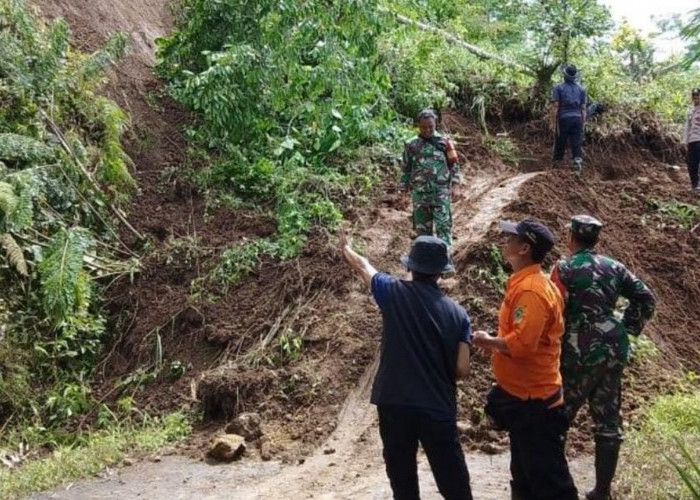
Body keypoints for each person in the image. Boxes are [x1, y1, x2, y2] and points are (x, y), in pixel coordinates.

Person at [339, 232, 473, 500]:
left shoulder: (392, 292)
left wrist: (347, 248)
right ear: (441, 273)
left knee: (402, 481)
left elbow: (363, 266)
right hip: (436, 406)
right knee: (453, 481)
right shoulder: (458, 315)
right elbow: (461, 370)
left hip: (394, 403)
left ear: (410, 266)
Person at [550, 215, 656, 500]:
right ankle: (602, 490)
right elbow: (646, 298)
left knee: (559, 417)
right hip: (612, 348)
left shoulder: (563, 268)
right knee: (608, 418)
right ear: (596, 240)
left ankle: (556, 486)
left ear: (572, 237)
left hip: (576, 350)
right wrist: (626, 327)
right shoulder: (615, 267)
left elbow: (554, 309)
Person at [473, 218, 578, 500]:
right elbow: (520, 336)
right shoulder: (526, 283)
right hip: (525, 399)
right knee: (524, 478)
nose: (505, 242)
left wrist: (489, 342)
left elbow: (523, 345)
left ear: (524, 248)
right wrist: (496, 343)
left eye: (511, 239)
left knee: (551, 483)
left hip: (535, 403)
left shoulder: (531, 291)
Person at [401, 109, 462, 246]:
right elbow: (406, 169)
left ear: (436, 124)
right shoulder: (411, 145)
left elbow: (454, 165)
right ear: (418, 125)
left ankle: (445, 261)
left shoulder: (445, 143)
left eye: (431, 127)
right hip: (420, 195)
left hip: (440, 193)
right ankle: (425, 264)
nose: (427, 130)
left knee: (443, 227)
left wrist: (456, 185)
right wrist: (403, 193)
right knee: (422, 233)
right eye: (423, 127)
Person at [551, 64, 587, 174]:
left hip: (564, 118)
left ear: (564, 75)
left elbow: (556, 106)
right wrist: (583, 122)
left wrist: (554, 120)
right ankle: (577, 164)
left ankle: (557, 163)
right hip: (577, 118)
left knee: (560, 139)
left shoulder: (558, 88)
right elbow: (583, 108)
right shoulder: (581, 89)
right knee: (576, 141)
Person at [683, 87, 700, 193]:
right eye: (694, 95)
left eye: (697, 95)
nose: (695, 97)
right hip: (692, 140)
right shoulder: (691, 111)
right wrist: (685, 141)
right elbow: (687, 127)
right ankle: (695, 185)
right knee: (692, 163)